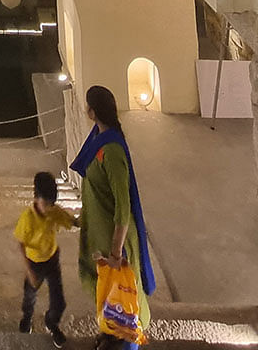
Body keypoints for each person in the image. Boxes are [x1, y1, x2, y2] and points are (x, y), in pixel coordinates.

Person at [71, 86, 156, 350]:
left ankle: (126, 343)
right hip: (100, 233)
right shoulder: (98, 138)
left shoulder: (112, 150)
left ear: (92, 111)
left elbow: (123, 206)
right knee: (107, 295)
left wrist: (117, 252)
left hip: (114, 240)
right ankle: (110, 335)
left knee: (125, 302)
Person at [14, 171, 77, 347]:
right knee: (29, 297)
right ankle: (27, 318)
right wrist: (29, 271)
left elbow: (71, 221)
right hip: (34, 264)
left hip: (52, 260)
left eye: (51, 204)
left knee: (59, 302)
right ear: (36, 197)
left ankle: (52, 322)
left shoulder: (54, 211)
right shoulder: (27, 219)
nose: (49, 207)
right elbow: (20, 244)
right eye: (45, 203)